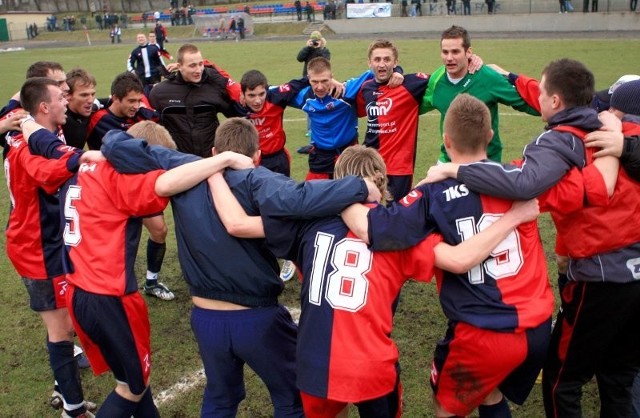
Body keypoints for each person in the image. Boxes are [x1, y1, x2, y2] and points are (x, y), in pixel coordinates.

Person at [210, 142, 541, 418]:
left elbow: (237, 223)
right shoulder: (402, 239)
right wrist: (513, 217)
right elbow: (458, 259)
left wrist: (212, 169)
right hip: (371, 364)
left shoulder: (306, 225)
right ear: (381, 183)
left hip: (314, 363)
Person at [342, 93, 615, 417]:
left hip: (483, 332)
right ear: (490, 136)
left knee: (446, 407)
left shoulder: (432, 194)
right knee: (489, 393)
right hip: (537, 328)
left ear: (445, 140)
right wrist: (617, 138)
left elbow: (373, 229)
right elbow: (597, 189)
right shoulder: (521, 179)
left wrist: (337, 195)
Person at [100, 117, 382, 417]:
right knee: (292, 397)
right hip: (256, 318)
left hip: (205, 318)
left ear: (213, 151)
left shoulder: (185, 168)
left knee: (220, 399)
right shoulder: (255, 177)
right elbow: (299, 198)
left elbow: (114, 142)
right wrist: (357, 187)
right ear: (257, 156)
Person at [424, 59, 640, 418]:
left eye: (541, 92)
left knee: (563, 380)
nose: (536, 96)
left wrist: (454, 168)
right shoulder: (617, 132)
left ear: (555, 101)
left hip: (598, 277)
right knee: (619, 376)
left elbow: (530, 185)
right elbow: (593, 187)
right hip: (623, 274)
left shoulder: (556, 143)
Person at [7, 77, 101, 418]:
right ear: (44, 107)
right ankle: (73, 408)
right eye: (61, 96)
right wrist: (85, 159)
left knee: (70, 321)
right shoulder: (28, 145)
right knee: (61, 328)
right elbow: (46, 173)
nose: (68, 101)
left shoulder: (38, 133)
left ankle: (67, 388)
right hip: (37, 250)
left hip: (50, 242)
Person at [419, 26, 539, 164]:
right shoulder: (436, 80)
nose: (449, 58)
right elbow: (410, 107)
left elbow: (532, 104)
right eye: (445, 52)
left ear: (468, 52)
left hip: (485, 163)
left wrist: (511, 76)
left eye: (455, 52)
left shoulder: (488, 78)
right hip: (449, 160)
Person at [149, 43, 236, 157]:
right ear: (179, 66)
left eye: (201, 64)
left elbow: (236, 112)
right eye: (192, 65)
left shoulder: (214, 89)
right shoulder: (159, 93)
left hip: (210, 160)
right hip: (178, 163)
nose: (199, 70)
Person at [86, 72, 159, 151]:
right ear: (115, 98)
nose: (136, 106)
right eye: (131, 101)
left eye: (139, 101)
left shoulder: (142, 116)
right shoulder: (95, 118)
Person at [62, 68, 98, 149]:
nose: (90, 100)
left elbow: (108, 101)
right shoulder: (59, 120)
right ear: (68, 95)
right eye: (84, 95)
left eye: (92, 94)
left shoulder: (91, 108)